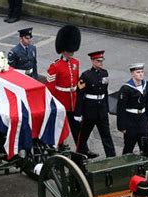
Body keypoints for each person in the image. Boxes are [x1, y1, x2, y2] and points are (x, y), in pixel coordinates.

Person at [46, 25, 90, 153]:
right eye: (69, 50)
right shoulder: (55, 66)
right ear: (63, 50)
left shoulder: (75, 63)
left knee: (77, 127)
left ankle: (83, 150)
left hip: (73, 102)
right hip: (61, 102)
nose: (71, 53)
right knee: (59, 127)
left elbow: (76, 83)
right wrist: (53, 104)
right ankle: (58, 148)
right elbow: (50, 88)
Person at [75, 50, 115, 158]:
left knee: (106, 135)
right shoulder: (86, 76)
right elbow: (79, 95)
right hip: (89, 111)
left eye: (102, 60)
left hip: (101, 110)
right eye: (98, 61)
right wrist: (78, 113)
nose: (101, 63)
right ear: (92, 61)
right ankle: (78, 156)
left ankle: (112, 157)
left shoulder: (104, 73)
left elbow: (105, 92)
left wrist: (106, 107)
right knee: (83, 136)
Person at [116, 63, 148, 154]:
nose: (141, 74)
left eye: (142, 72)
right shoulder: (126, 88)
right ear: (132, 74)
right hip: (131, 121)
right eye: (138, 72)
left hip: (143, 119)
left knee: (146, 145)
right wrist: (122, 126)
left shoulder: (146, 85)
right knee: (129, 146)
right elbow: (121, 108)